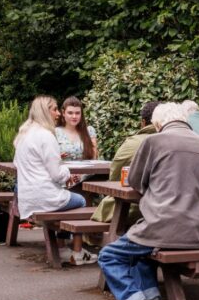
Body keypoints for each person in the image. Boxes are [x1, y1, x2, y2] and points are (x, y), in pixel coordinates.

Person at [97, 102, 199, 300]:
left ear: (158, 124)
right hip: (197, 230)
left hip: (161, 226)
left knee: (109, 255)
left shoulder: (154, 141)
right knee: (143, 258)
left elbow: (136, 182)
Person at [13, 95, 95, 265]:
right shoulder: (46, 136)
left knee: (69, 196)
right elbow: (57, 174)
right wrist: (66, 170)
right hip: (44, 197)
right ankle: (77, 253)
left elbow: (17, 164)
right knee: (80, 201)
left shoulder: (24, 134)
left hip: (27, 198)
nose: (58, 114)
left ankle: (63, 246)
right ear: (45, 112)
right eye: (55, 109)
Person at [91, 100, 160, 224]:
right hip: (169, 209)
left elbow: (115, 176)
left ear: (143, 122)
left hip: (133, 208)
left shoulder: (133, 143)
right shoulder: (180, 142)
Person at [55, 96, 99, 160]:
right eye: (70, 113)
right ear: (63, 113)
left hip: (86, 169)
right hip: (63, 169)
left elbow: (94, 158)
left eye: (77, 113)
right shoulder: (55, 132)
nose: (74, 116)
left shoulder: (89, 131)